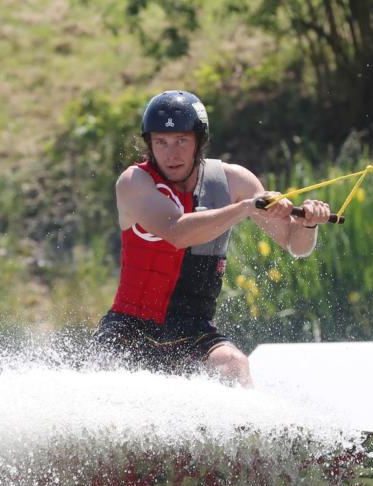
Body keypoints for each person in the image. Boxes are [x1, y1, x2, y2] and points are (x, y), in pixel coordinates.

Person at [93, 90, 332, 388]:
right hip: (130, 326)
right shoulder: (134, 182)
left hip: (193, 330)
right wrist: (245, 207)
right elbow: (177, 232)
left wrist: (308, 223)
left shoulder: (235, 181)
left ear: (199, 141)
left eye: (181, 140)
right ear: (150, 144)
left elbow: (296, 246)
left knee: (233, 365)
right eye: (161, 142)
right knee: (110, 371)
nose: (171, 153)